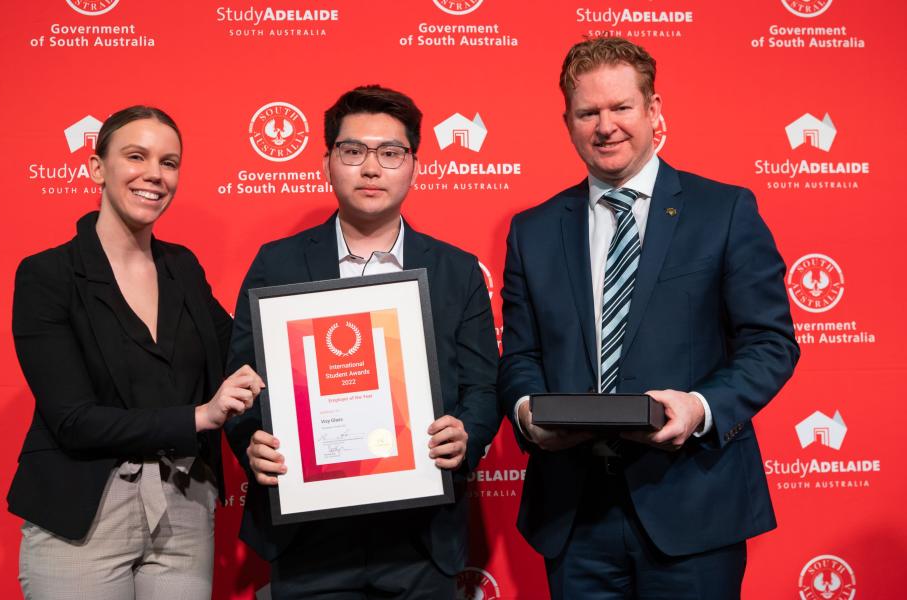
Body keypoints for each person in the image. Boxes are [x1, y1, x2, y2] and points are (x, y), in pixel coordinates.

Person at [498, 37, 799, 599]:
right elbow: (521, 355)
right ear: (568, 122)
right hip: (572, 515)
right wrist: (527, 414)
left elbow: (770, 343)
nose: (605, 125)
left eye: (621, 108)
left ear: (654, 110)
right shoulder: (532, 230)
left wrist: (700, 407)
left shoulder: (725, 211)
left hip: (693, 508)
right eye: (588, 112)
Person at [224, 85, 501, 599]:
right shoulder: (276, 264)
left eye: (390, 152)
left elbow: (485, 387)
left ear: (414, 165)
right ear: (327, 162)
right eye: (353, 151)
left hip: (422, 539)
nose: (371, 168)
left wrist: (466, 436)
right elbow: (241, 384)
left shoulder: (456, 271)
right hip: (308, 539)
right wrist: (251, 442)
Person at [6, 105, 264, 599]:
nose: (154, 174)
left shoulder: (183, 268)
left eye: (169, 162)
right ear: (96, 167)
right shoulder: (47, 276)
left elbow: (243, 351)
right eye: (136, 156)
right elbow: (73, 420)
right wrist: (199, 416)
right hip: (82, 515)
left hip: (185, 508)